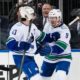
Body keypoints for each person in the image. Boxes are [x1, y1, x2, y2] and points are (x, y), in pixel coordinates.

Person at [6, 6, 60, 80]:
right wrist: (22, 45)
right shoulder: (17, 27)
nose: (33, 15)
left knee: (36, 77)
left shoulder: (32, 26)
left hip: (29, 57)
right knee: (35, 78)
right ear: (25, 15)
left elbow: (41, 36)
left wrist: (51, 36)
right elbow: (9, 43)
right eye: (31, 14)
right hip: (20, 57)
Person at [37, 9, 72, 80]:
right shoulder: (47, 25)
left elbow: (61, 48)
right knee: (43, 78)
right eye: (50, 18)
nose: (52, 20)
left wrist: (50, 49)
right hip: (49, 57)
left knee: (61, 75)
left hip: (63, 57)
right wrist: (38, 45)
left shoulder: (65, 30)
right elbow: (44, 38)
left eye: (54, 18)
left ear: (59, 18)